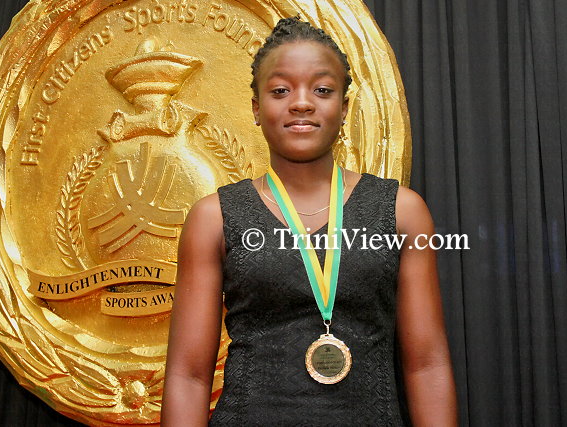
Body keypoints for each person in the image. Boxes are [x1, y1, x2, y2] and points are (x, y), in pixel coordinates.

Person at [161, 17, 457, 426]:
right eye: (280, 90)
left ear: (344, 108)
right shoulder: (213, 218)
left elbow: (427, 365)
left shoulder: (401, 212)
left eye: (322, 90)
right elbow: (189, 375)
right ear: (256, 108)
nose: (301, 103)